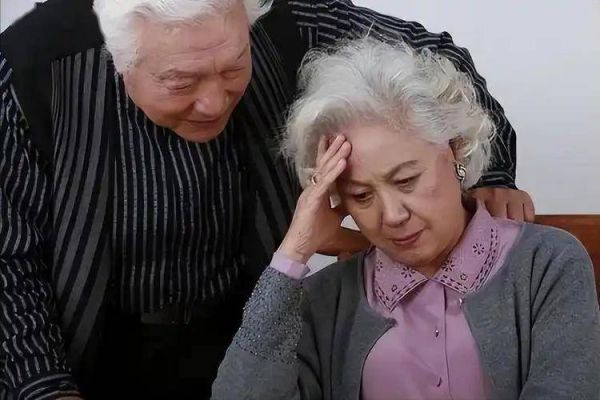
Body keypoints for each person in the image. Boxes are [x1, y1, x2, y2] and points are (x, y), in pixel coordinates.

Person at [0, 0, 533, 398]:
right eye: (180, 81)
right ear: (120, 59)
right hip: (88, 350)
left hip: (248, 335)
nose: (214, 103)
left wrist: (488, 173)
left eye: (234, 66)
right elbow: (9, 262)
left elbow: (436, 57)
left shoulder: (281, 18)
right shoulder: (29, 68)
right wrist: (45, 388)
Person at [212, 38, 600, 400]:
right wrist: (293, 253)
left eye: (407, 180)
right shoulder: (326, 298)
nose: (393, 216)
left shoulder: (547, 263)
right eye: (361, 195)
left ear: (456, 149)